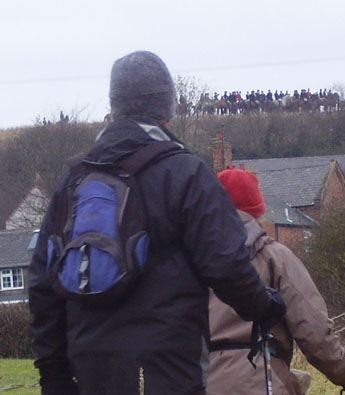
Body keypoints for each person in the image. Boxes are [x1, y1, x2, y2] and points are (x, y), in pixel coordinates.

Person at [28, 51, 285, 395]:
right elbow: (226, 265)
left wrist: (53, 376)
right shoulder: (186, 173)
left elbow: (44, 285)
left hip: (91, 366)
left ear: (114, 105)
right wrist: (264, 306)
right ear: (168, 110)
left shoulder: (73, 181)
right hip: (169, 365)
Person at [207, 168, 345, 395]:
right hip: (261, 380)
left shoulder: (190, 262)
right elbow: (314, 330)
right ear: (258, 210)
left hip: (197, 381)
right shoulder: (275, 257)